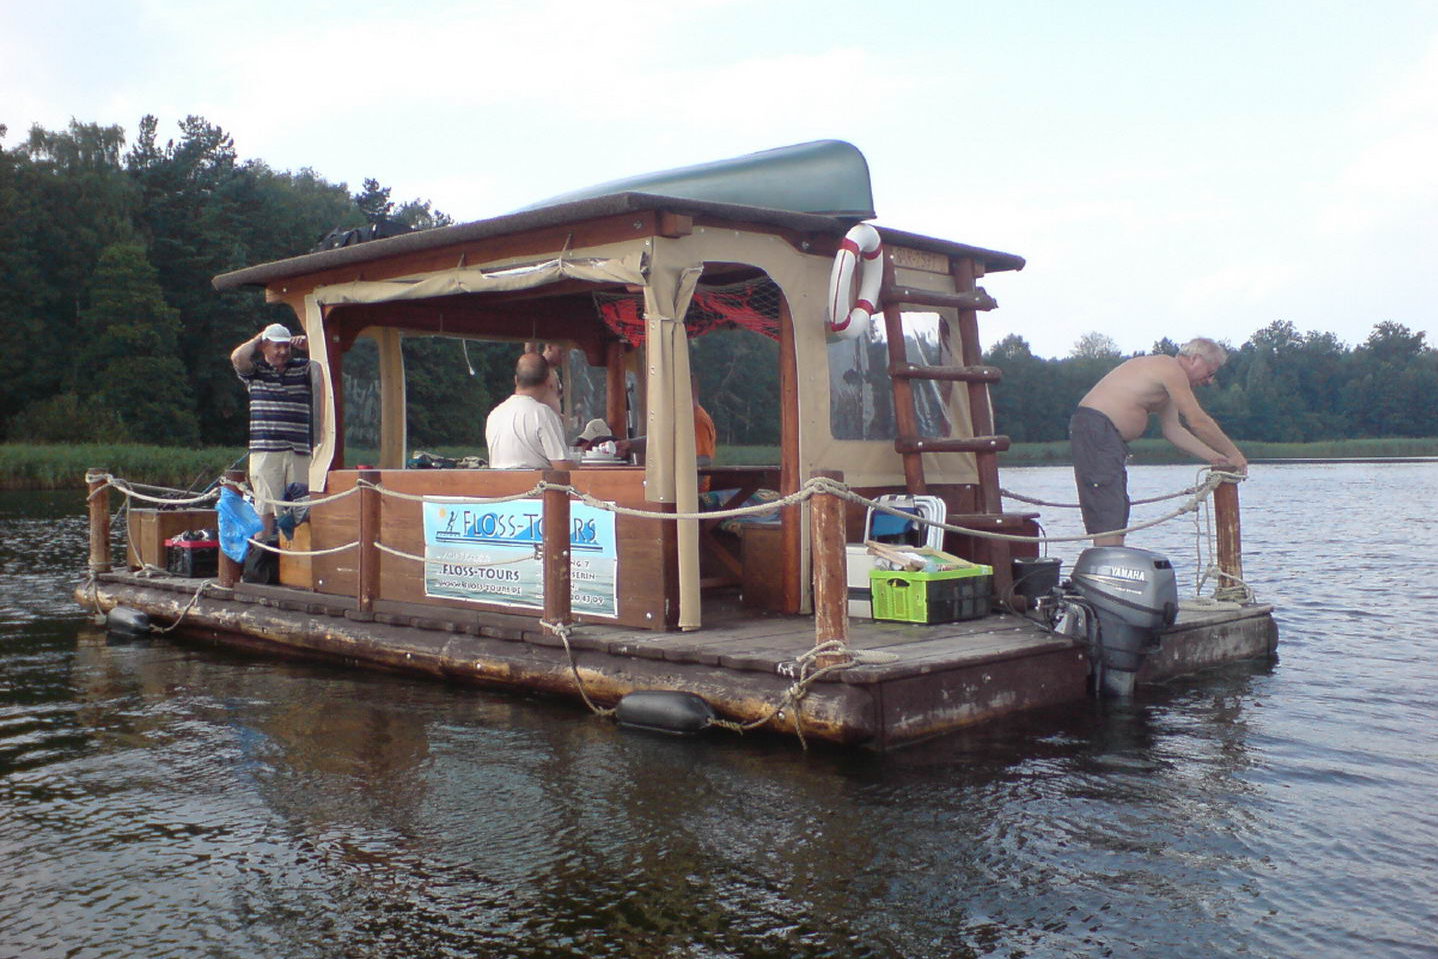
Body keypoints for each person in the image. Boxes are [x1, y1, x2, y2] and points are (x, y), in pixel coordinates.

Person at [1070, 337, 1247, 546]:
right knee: (1107, 509)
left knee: (1116, 508)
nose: (1209, 381)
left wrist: (1216, 458)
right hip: (1097, 431)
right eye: (1210, 373)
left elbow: (1173, 430)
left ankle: (1114, 554)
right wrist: (1235, 455)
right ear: (1195, 359)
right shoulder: (1170, 368)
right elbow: (1197, 420)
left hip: (1106, 437)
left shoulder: (1168, 381)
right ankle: (1108, 556)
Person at [231, 322, 318, 536]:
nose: (282, 351)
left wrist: (309, 346)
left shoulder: (303, 368)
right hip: (266, 450)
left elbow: (325, 367)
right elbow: (238, 358)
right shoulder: (255, 372)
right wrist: (258, 339)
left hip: (298, 450)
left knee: (302, 508)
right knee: (265, 508)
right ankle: (261, 554)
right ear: (264, 347)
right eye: (277, 346)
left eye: (286, 346)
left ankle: (296, 553)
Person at [485, 352, 578, 470]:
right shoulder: (543, 414)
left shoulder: (494, 414)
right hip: (536, 482)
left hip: (498, 482)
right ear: (547, 381)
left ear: (516, 380)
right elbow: (563, 468)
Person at [616, 381, 716, 489]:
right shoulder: (681, 418)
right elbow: (662, 441)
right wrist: (629, 445)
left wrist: (668, 489)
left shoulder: (696, 421)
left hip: (692, 496)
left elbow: (701, 465)